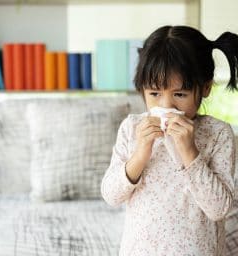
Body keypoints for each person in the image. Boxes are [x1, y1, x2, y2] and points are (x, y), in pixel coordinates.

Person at [101, 25, 238, 256]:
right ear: (142, 89)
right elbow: (111, 195)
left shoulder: (218, 134)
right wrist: (140, 154)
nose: (166, 106)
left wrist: (190, 152)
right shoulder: (132, 128)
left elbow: (219, 209)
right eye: (155, 94)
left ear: (205, 87)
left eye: (180, 94)